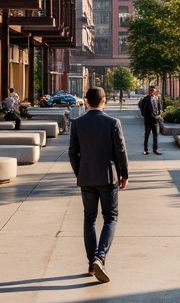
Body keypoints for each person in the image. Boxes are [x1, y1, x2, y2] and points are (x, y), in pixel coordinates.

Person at [68, 87, 128, 283]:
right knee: (110, 217)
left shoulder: (77, 123)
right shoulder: (112, 123)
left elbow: (72, 153)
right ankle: (100, 257)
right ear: (104, 101)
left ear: (87, 102)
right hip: (108, 177)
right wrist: (124, 174)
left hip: (87, 177)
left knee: (89, 218)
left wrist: (80, 172)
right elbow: (120, 151)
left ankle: (91, 263)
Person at [138, 84, 163, 156]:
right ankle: (145, 150)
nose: (153, 91)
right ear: (150, 91)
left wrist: (160, 112)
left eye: (154, 90)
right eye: (151, 90)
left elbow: (160, 106)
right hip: (148, 120)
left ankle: (155, 150)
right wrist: (144, 115)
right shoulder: (146, 98)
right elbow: (141, 106)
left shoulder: (157, 98)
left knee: (155, 135)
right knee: (147, 135)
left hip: (155, 119)